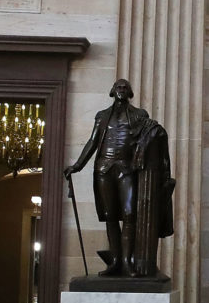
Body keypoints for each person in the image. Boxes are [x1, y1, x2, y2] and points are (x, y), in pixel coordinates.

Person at [65, 79, 174, 278]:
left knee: (130, 213)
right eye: (118, 88)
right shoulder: (102, 116)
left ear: (129, 91)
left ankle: (126, 261)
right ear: (112, 91)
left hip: (126, 169)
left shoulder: (140, 115)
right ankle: (115, 261)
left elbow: (153, 134)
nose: (121, 90)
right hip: (104, 168)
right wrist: (77, 166)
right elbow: (92, 142)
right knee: (110, 215)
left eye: (124, 88)